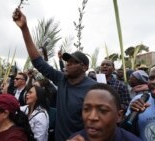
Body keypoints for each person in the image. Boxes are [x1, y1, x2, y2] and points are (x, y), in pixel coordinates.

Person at [13, 9, 97, 141]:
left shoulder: (94, 89)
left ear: (84, 67)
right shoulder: (62, 79)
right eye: (67, 61)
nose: (68, 64)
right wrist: (24, 28)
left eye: (73, 62)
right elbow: (38, 62)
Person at [68, 83, 141, 141]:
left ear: (119, 116)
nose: (92, 117)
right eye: (86, 109)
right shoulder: (75, 138)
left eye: (103, 110)